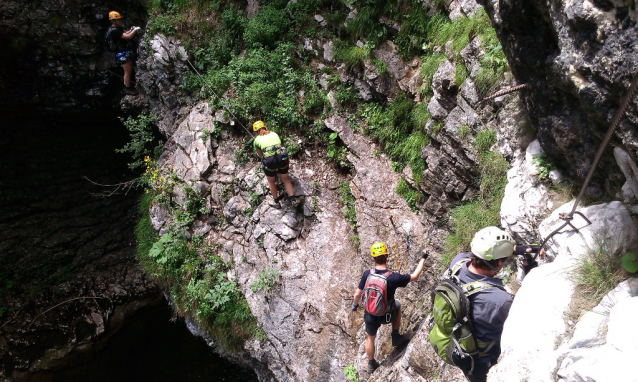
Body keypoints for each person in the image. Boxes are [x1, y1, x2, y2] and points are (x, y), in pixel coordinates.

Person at [443, 226, 544, 382]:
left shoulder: (458, 261)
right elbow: (530, 321)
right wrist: (529, 274)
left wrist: (526, 249)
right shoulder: (500, 301)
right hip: (484, 363)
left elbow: (487, 253)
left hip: (462, 346)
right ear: (498, 262)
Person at [351, 242, 428, 373]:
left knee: (370, 338)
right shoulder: (393, 277)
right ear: (386, 256)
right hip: (386, 315)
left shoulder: (367, 274)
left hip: (370, 313)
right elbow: (414, 276)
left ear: (373, 258)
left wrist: (354, 305)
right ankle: (395, 336)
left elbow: (357, 293)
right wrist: (423, 258)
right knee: (397, 304)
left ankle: (371, 364)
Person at [252, 120, 297, 208]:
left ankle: (276, 202)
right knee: (285, 179)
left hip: (270, 161)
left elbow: (260, 155)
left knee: (271, 181)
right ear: (265, 127)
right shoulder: (274, 134)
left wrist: (265, 160)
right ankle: (293, 200)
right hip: (282, 158)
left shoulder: (256, 140)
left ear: (256, 131)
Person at [107, 11, 141, 95]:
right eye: (118, 19)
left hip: (124, 51)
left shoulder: (118, 28)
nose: (120, 20)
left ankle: (128, 86)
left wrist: (132, 30)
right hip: (121, 52)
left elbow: (126, 33)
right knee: (127, 71)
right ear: (114, 21)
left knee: (129, 69)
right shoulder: (114, 31)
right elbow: (128, 36)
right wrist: (135, 30)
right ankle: (127, 89)